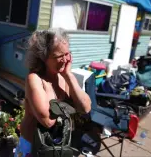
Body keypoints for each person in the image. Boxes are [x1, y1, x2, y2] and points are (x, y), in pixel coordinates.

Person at [14, 28, 92, 157]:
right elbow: (47, 121)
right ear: (43, 57)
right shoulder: (35, 79)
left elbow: (85, 108)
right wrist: (69, 106)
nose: (65, 60)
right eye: (59, 56)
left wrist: (69, 75)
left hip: (55, 146)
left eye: (67, 54)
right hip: (33, 147)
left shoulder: (63, 77)